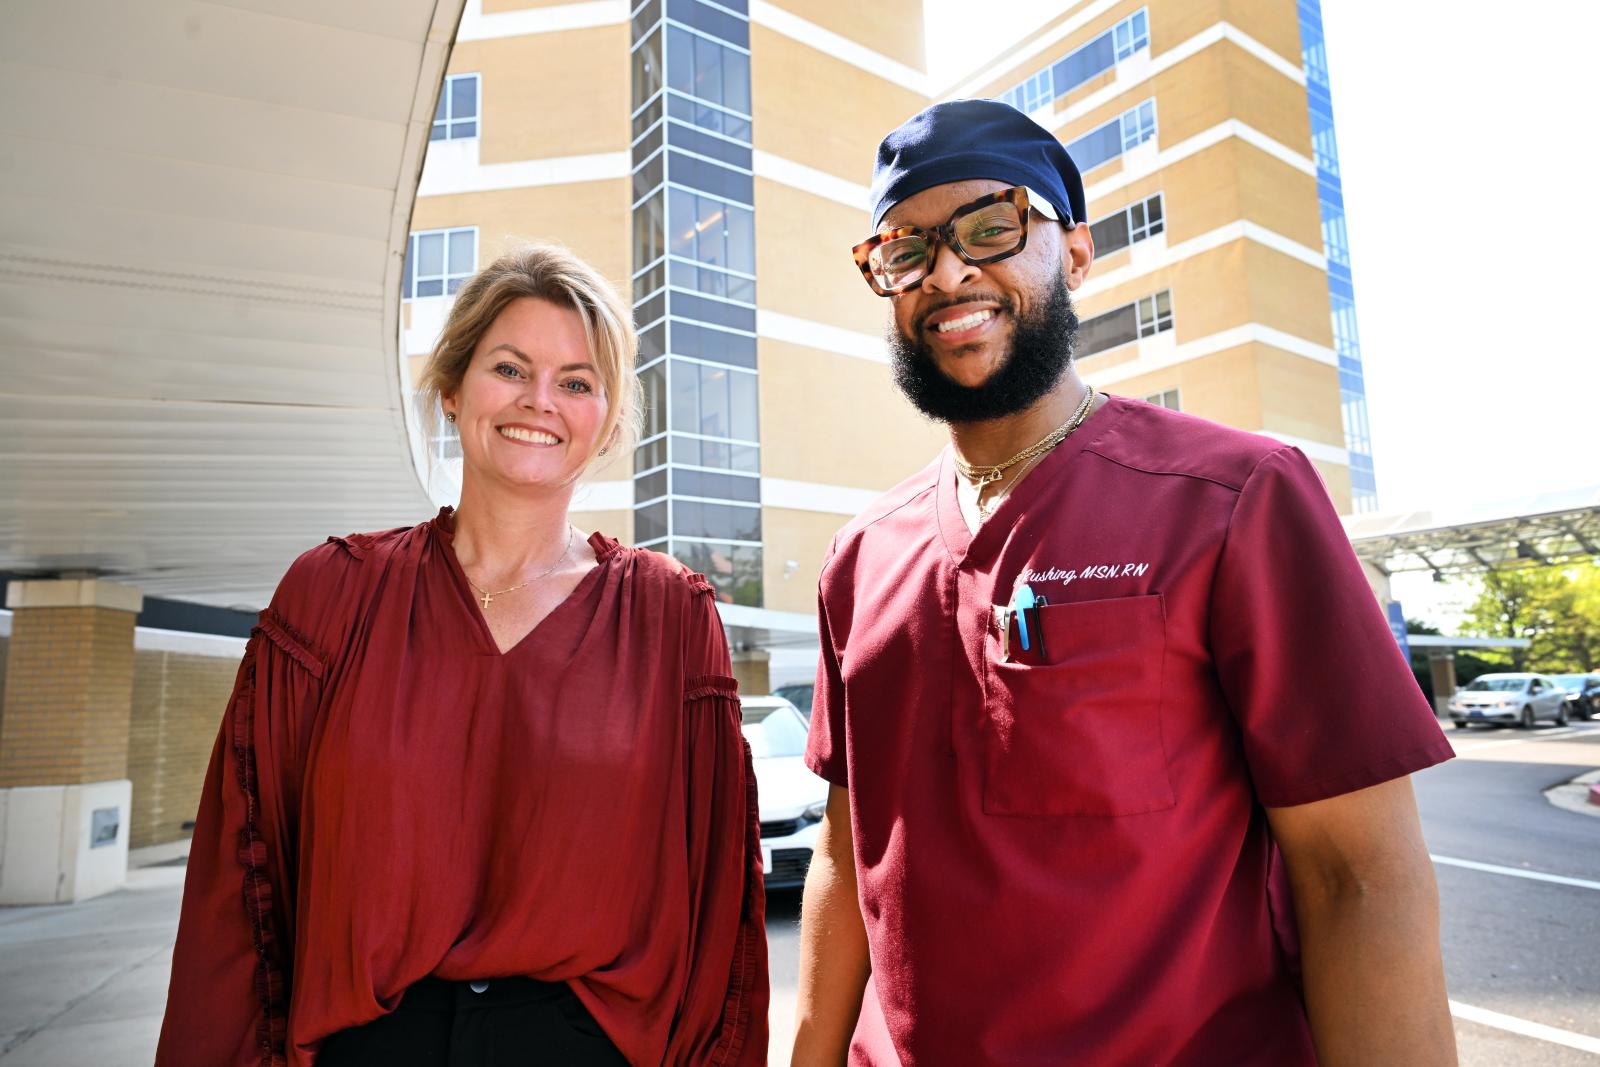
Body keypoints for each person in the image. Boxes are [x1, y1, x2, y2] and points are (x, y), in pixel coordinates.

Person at [791, 100, 1457, 1066]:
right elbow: (847, 858)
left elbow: (1359, 877)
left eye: (991, 227)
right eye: (906, 251)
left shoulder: (1235, 499)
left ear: (1078, 250)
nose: (947, 273)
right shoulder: (861, 556)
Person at [157, 244, 768, 1067]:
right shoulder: (331, 597)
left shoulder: (669, 616)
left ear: (607, 421)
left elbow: (720, 903)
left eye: (578, 382)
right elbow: (245, 881)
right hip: (372, 1046)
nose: (539, 401)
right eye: (509, 367)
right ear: (451, 388)